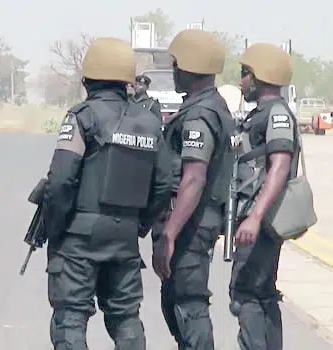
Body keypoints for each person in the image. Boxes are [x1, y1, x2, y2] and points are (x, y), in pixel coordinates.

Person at [40, 37, 171, 349]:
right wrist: (139, 224)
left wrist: (55, 227)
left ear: (87, 81)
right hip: (124, 238)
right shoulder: (150, 123)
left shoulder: (81, 117)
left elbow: (60, 180)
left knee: (70, 318)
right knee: (125, 317)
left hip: (78, 237)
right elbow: (165, 184)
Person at [152, 29, 234, 350]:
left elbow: (194, 177)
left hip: (190, 224)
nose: (173, 71)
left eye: (176, 65)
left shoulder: (199, 115)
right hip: (193, 221)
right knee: (175, 302)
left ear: (190, 68)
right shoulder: (207, 106)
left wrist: (169, 234)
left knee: (189, 305)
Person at [227, 43, 297, 350]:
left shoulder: (277, 114)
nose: (242, 81)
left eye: (245, 74)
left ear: (261, 77)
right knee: (262, 292)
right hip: (258, 217)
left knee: (246, 294)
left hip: (262, 219)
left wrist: (254, 217)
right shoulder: (262, 114)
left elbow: (279, 167)